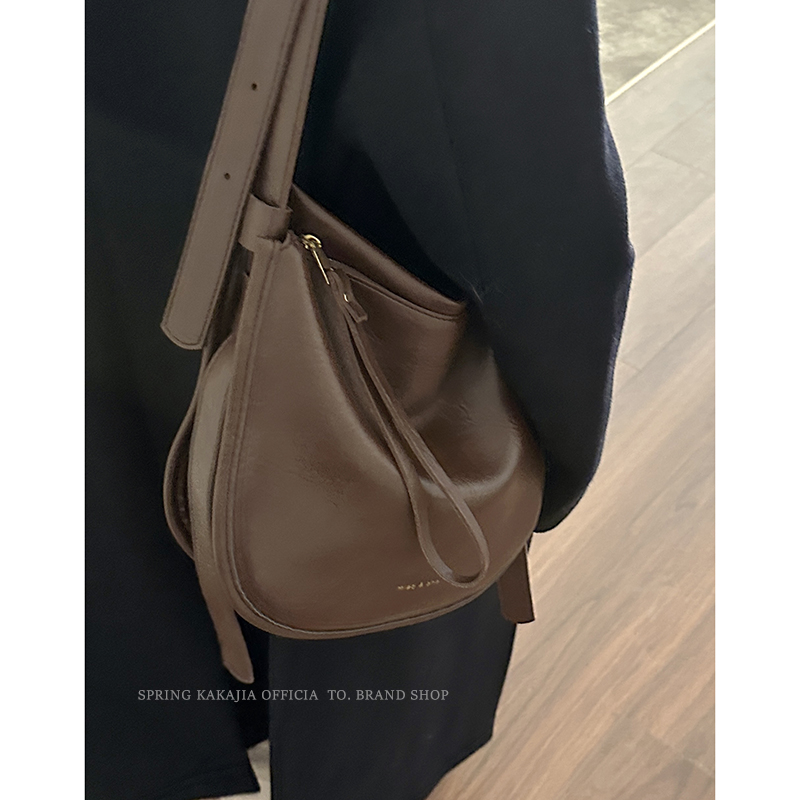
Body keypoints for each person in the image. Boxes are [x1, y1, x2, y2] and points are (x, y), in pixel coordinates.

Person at [86, 1, 634, 798]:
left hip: (105, 273)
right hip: (369, 386)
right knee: (359, 637)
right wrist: (549, 462)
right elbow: (539, 204)